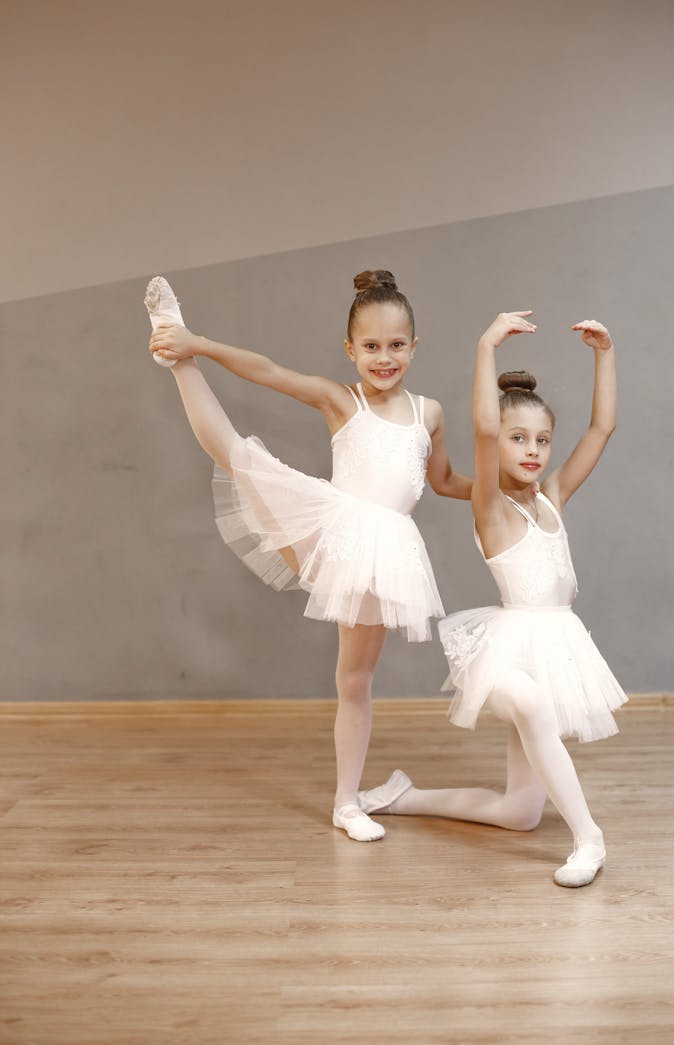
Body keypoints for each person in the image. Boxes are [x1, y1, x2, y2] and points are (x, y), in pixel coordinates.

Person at [144, 270, 471, 842]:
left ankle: (347, 802)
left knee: (355, 680)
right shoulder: (341, 399)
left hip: (387, 551)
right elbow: (269, 371)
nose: (384, 358)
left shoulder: (430, 413)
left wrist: (505, 486)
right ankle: (179, 353)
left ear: (415, 347)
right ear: (351, 351)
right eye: (371, 347)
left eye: (396, 346)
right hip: (330, 528)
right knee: (239, 457)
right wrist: (198, 345)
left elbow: (443, 480)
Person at [359, 310, 627, 885]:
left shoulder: (552, 495)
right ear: (498, 445)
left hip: (555, 648)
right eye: (518, 439)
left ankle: (404, 797)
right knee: (529, 706)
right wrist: (486, 345)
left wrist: (604, 353)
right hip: (506, 653)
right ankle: (590, 839)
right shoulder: (490, 504)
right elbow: (481, 428)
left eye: (542, 440)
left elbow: (601, 428)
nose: (532, 451)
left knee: (520, 813)